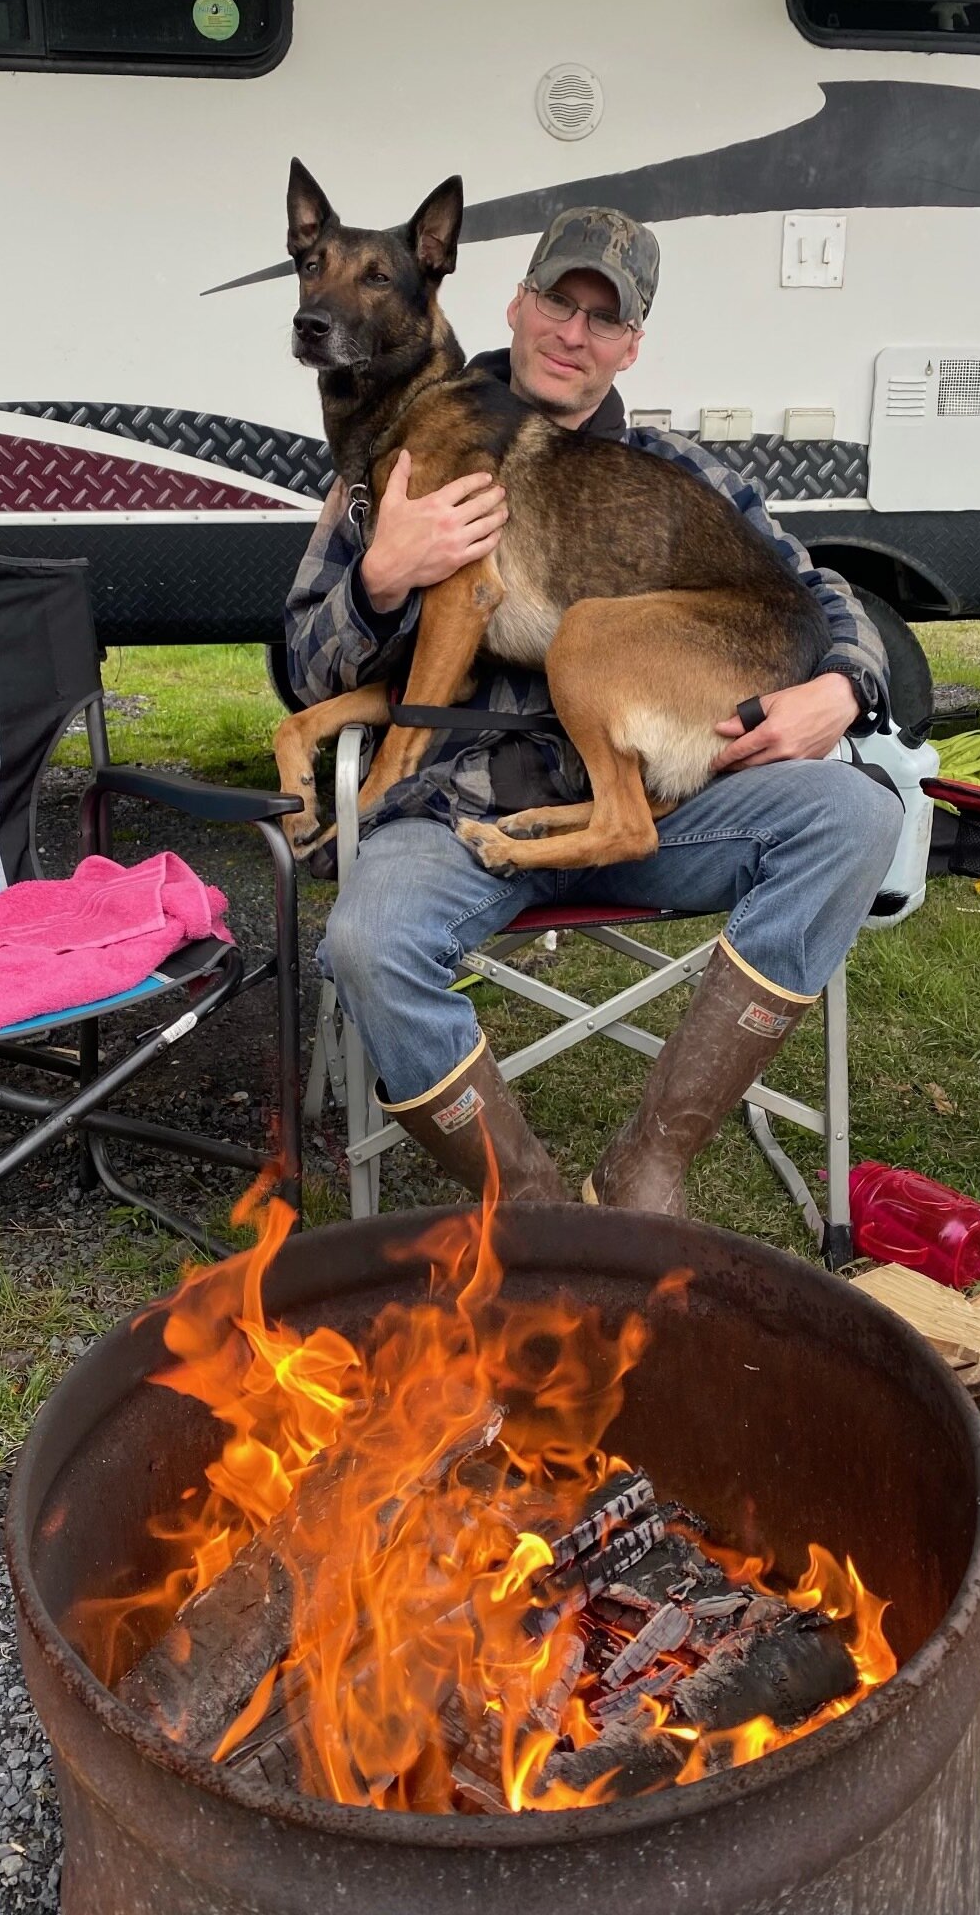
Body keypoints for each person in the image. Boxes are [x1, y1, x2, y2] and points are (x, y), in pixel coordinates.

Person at [285, 206, 902, 1212]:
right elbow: (308, 661)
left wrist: (842, 686)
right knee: (366, 945)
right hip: (455, 814)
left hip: (655, 812)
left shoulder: (679, 474)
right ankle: (530, 1209)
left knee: (860, 814)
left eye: (602, 321)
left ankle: (645, 1167)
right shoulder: (401, 459)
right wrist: (382, 577)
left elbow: (819, 595)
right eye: (557, 305)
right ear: (516, 304)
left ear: (632, 345)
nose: (573, 336)